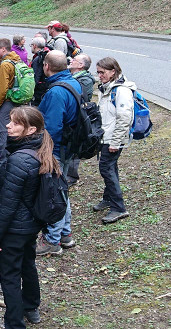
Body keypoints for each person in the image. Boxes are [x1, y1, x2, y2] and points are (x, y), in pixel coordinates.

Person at [0, 106, 52, 329]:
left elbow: (7, 205)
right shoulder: (42, 150)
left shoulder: (18, 161)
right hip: (31, 226)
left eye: (15, 123)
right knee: (28, 264)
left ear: (31, 129)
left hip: (15, 230)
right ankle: (31, 306)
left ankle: (14, 323)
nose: (8, 125)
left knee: (10, 276)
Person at [36, 50, 81, 256]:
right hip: (68, 146)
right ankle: (65, 233)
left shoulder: (55, 92)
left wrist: (43, 151)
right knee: (61, 190)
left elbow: (51, 127)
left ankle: (53, 240)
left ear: (47, 66)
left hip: (56, 148)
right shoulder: (73, 82)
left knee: (53, 192)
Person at [94, 57, 134, 224]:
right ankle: (109, 198)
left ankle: (119, 208)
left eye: (102, 72)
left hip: (112, 139)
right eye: (98, 72)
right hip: (107, 137)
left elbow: (124, 118)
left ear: (113, 72)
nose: (99, 76)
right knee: (111, 168)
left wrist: (115, 142)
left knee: (106, 169)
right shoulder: (107, 88)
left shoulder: (121, 91)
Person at [0, 39, 22, 172]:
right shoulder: (17, 59)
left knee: (4, 133)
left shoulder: (5, 65)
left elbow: (1, 89)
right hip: (17, 101)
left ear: (3, 49)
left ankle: (3, 164)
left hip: (6, 103)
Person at [66, 54, 95, 186]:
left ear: (81, 65)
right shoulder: (72, 75)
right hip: (72, 114)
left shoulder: (86, 80)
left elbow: (81, 97)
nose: (71, 61)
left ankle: (71, 175)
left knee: (75, 142)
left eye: (75, 60)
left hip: (79, 116)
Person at [29, 38, 50, 106]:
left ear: (34, 46)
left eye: (31, 45)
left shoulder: (38, 59)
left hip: (38, 93)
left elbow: (35, 78)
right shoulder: (46, 54)